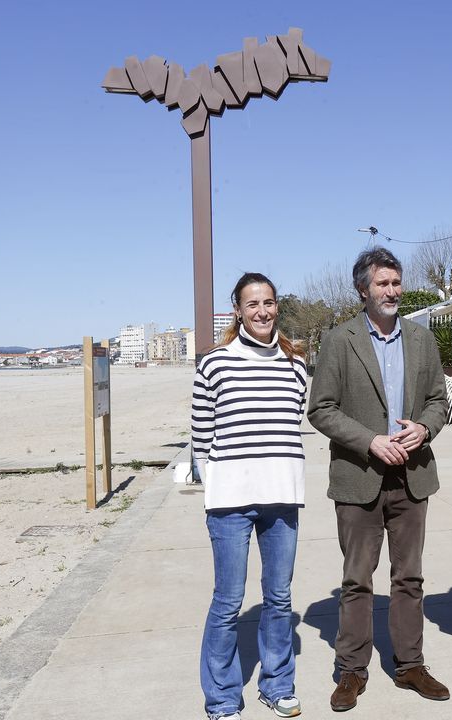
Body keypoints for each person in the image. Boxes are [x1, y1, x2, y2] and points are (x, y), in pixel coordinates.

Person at [307, 247, 451, 712]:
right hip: (359, 478)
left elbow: (437, 400)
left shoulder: (420, 339)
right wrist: (370, 441)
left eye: (396, 282)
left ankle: (410, 665)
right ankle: (352, 670)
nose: (393, 291)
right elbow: (321, 409)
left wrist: (425, 428)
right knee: (357, 580)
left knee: (409, 577)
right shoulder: (338, 341)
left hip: (411, 477)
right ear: (363, 289)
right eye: (383, 284)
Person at [192, 272, 308, 720]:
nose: (262, 311)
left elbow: (291, 421)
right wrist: (222, 481)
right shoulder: (215, 363)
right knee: (228, 601)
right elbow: (201, 437)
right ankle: (222, 699)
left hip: (282, 495)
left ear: (277, 306)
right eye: (252, 304)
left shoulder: (295, 362)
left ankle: (277, 685)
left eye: (269, 303)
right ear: (238, 310)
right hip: (229, 502)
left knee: (279, 597)